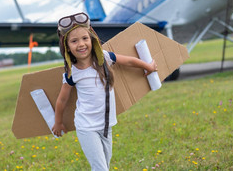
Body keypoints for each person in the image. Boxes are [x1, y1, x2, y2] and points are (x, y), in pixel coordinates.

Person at [52, 12, 157, 171]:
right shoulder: (72, 74)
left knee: (104, 166)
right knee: (101, 168)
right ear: (67, 47)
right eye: (74, 41)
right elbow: (62, 100)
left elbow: (128, 60)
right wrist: (58, 122)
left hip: (106, 126)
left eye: (85, 38)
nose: (81, 44)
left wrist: (147, 66)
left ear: (92, 39)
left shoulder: (105, 58)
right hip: (87, 127)